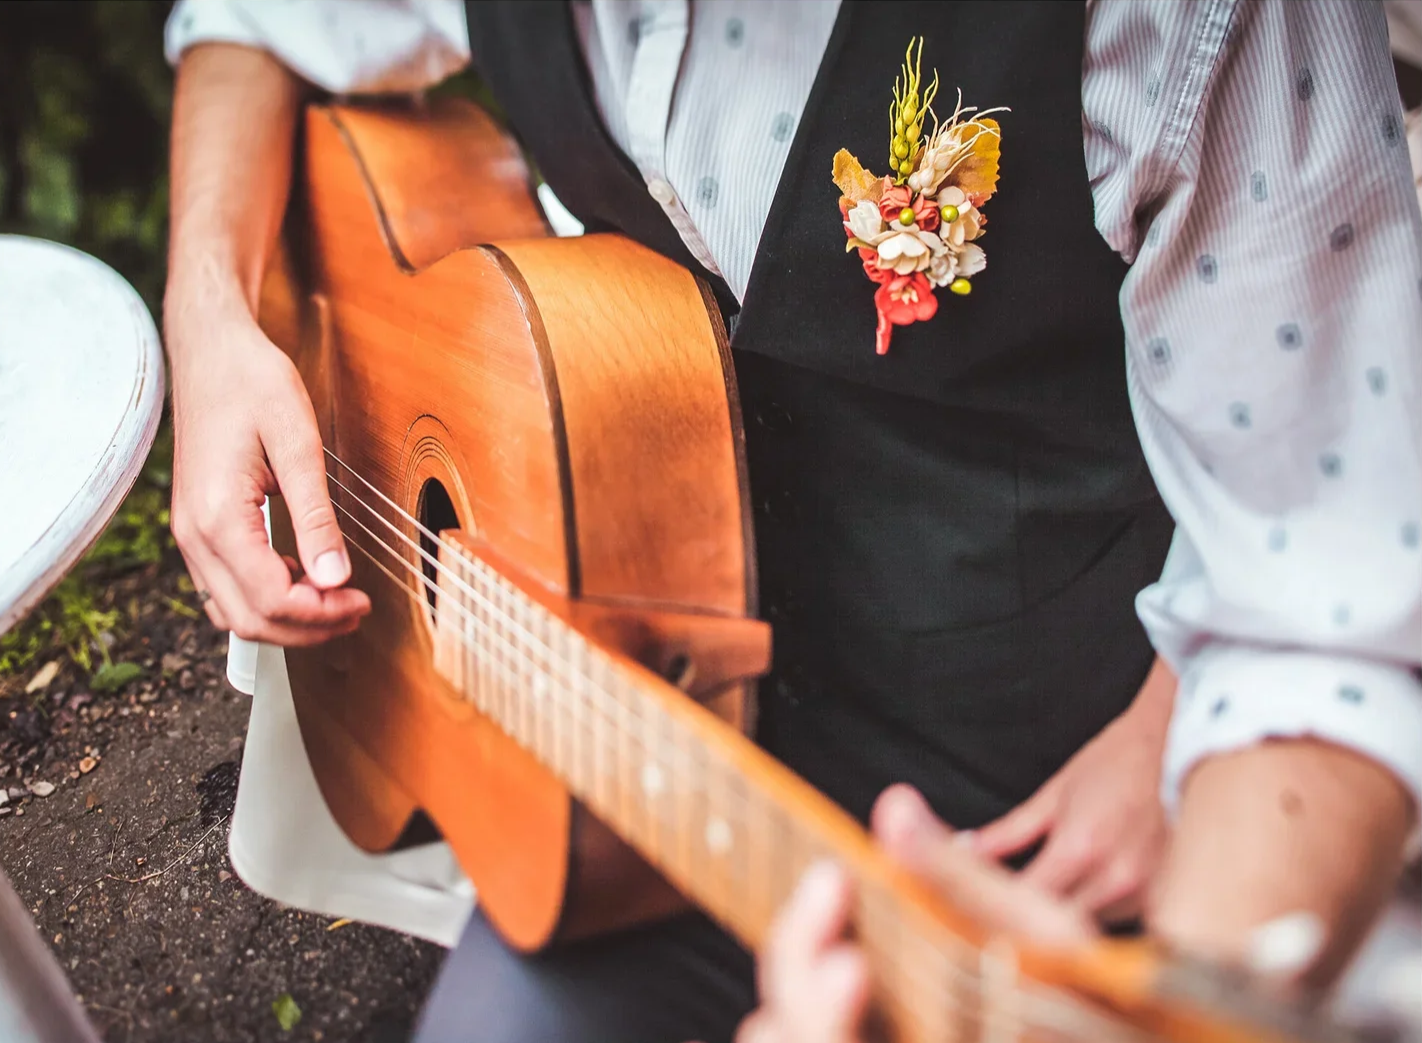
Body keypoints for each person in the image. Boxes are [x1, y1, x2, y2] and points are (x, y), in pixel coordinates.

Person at [161, 2, 1422, 1040]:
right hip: (646, 762)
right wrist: (210, 317)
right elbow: (250, 24)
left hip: (1031, 813)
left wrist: (1184, 728)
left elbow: (1324, 616)